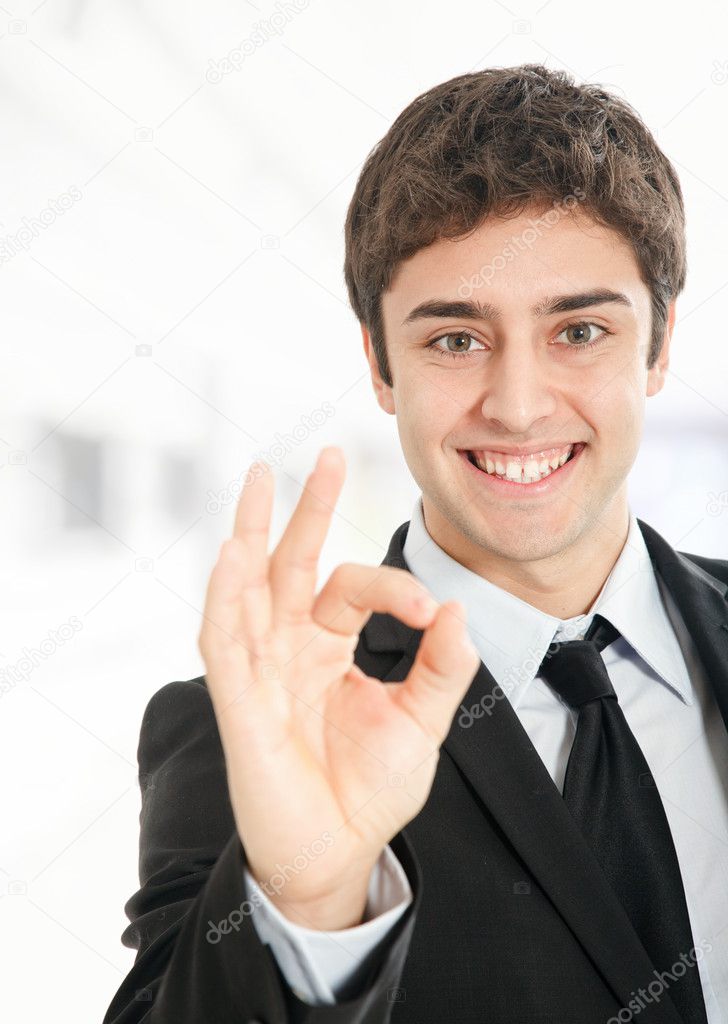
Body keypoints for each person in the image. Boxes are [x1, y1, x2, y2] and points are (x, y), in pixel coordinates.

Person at [103, 63, 728, 1023]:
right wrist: (308, 901)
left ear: (659, 344)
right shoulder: (261, 727)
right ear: (380, 363)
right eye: (455, 342)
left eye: (580, 330)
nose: (519, 408)